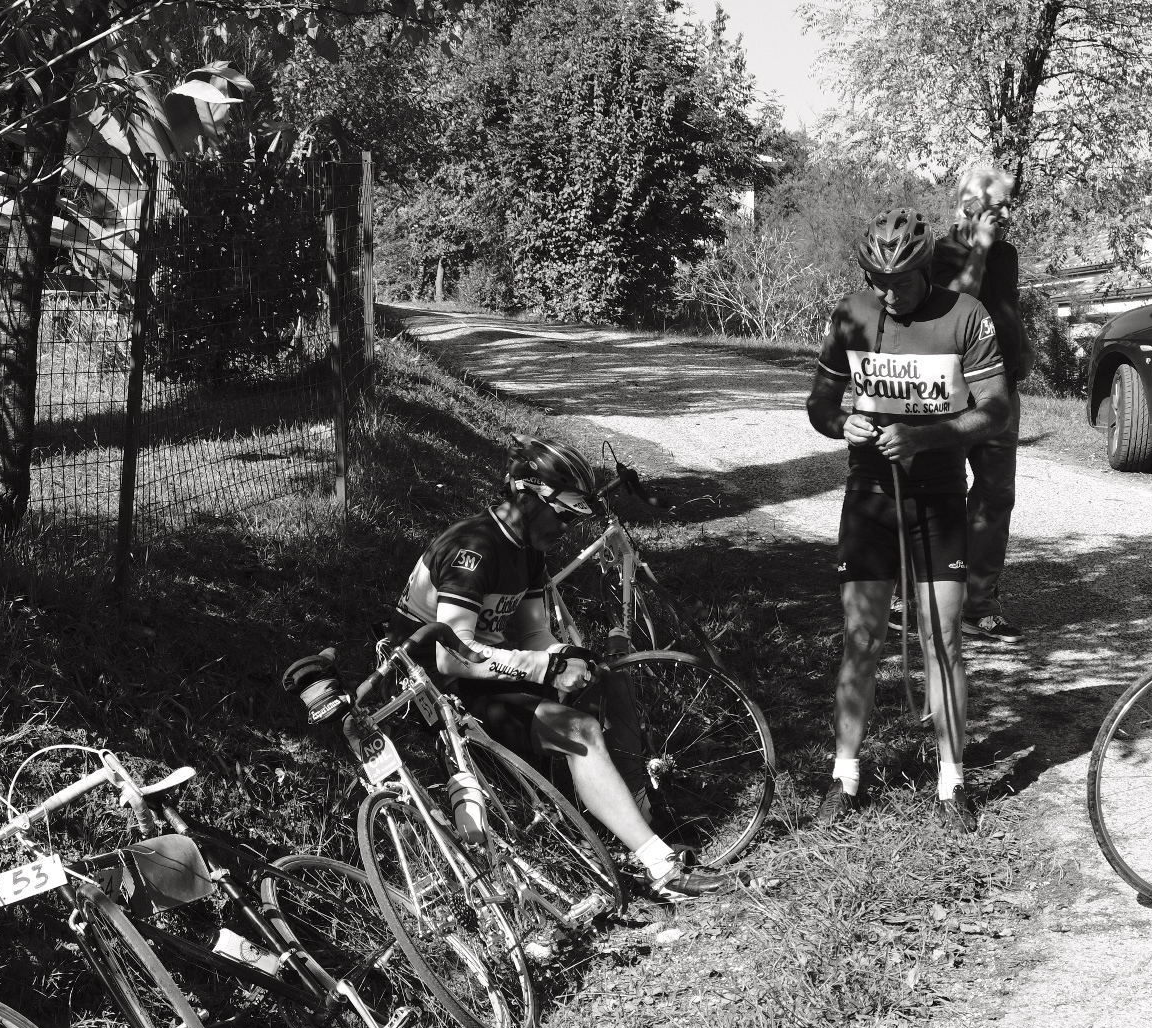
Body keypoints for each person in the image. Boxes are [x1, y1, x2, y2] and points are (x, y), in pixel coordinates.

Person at [394, 435, 737, 900]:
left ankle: (637, 817)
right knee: (578, 731)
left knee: (606, 676)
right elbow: (451, 656)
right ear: (525, 496)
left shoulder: (525, 549)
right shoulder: (473, 550)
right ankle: (661, 867)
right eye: (565, 514)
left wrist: (565, 659)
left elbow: (535, 632)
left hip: (484, 668)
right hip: (441, 689)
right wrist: (547, 670)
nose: (569, 528)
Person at [806, 208, 1012, 832]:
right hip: (870, 492)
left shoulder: (964, 316)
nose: (885, 292)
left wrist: (929, 437)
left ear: (925, 269)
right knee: (863, 637)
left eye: (896, 281)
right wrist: (844, 422)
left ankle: (953, 781)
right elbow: (819, 402)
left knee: (940, 639)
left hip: (939, 492)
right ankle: (844, 774)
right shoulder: (853, 313)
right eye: (874, 278)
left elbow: (997, 410)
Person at [929, 163, 1030, 641]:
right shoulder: (936, 252)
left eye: (1009, 204)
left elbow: (1002, 307)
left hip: (1001, 392)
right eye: (998, 206)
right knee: (935, 492)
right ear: (968, 208)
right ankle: (917, 596)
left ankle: (978, 604)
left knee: (996, 495)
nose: (1008, 214)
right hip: (951, 393)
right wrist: (981, 247)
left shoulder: (1007, 255)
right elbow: (955, 304)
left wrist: (1021, 354)